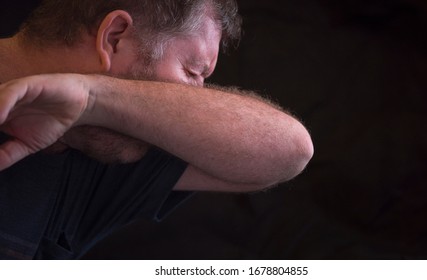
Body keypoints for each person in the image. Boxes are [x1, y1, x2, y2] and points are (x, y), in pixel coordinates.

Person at [0, 0, 313, 259]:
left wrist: (92, 97)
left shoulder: (105, 146)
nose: (196, 98)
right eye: (193, 72)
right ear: (115, 37)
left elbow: (292, 150)